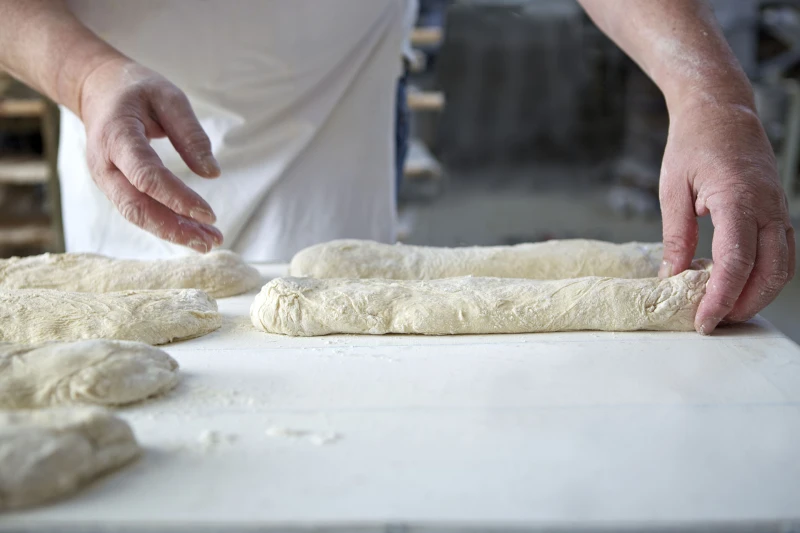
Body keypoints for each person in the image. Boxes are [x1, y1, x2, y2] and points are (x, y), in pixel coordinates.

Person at [0, 0, 794, 336]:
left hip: (335, 119)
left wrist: (712, 96)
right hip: (123, 120)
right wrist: (84, 78)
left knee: (352, 350)